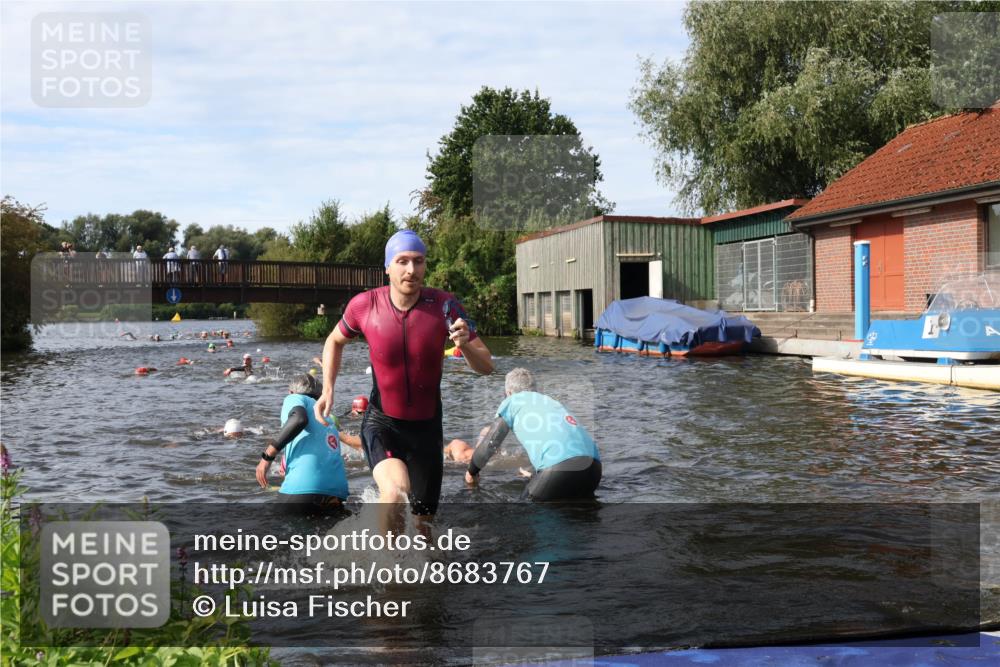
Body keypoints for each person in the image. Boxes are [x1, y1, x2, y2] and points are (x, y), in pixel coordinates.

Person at [314, 229, 493, 530]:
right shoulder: (365, 305)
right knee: (396, 491)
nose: (412, 269)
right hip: (382, 423)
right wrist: (328, 389)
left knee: (424, 529)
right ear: (387, 267)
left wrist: (464, 346)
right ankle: (387, 559)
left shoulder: (445, 306)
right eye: (403, 261)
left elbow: (486, 366)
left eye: (418, 261)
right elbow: (334, 340)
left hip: (427, 430)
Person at [466, 368, 602, 501]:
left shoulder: (512, 401)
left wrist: (472, 471)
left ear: (508, 392)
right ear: (534, 390)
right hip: (594, 468)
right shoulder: (551, 402)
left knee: (524, 510)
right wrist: (534, 473)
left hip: (559, 468)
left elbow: (490, 444)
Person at [256, 374, 361, 514]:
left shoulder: (295, 398)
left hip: (304, 488)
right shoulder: (327, 417)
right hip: (338, 492)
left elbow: (299, 419)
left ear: (291, 392)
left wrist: (267, 457)